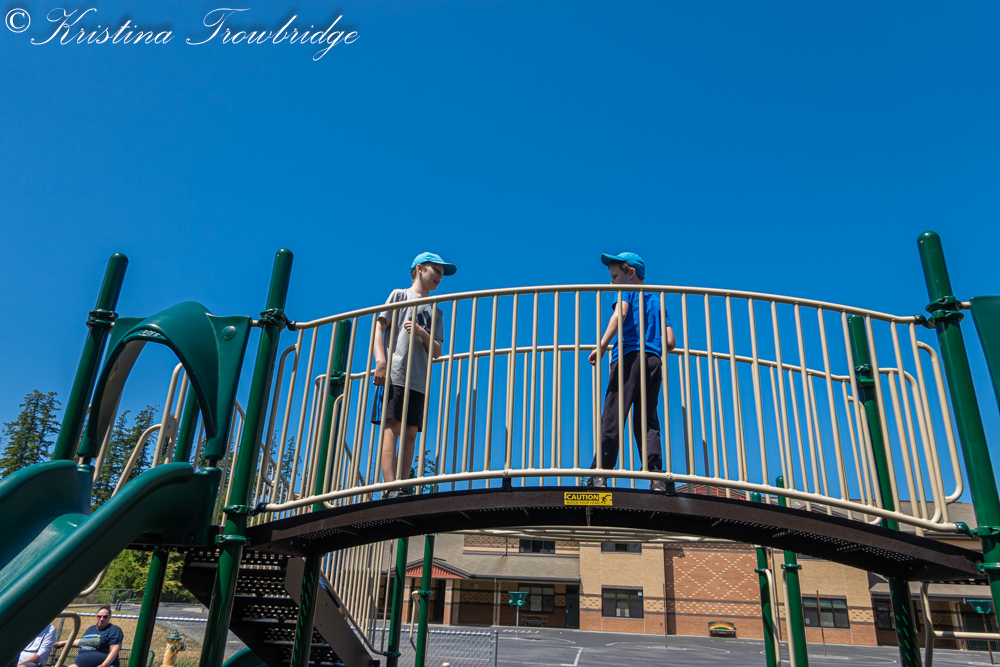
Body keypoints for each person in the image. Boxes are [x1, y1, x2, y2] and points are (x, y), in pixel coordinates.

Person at [587, 252, 676, 489]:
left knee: (613, 414)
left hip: (628, 357)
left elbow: (621, 314)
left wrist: (602, 345)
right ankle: (656, 477)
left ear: (631, 273)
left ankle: (600, 473)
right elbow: (670, 342)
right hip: (653, 361)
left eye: (615, 276)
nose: (611, 283)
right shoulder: (657, 300)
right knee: (647, 420)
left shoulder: (626, 289)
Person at [371, 252, 455, 499]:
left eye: (442, 274)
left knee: (410, 432)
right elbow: (379, 327)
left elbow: (437, 351)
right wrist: (381, 361)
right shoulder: (399, 295)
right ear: (419, 269)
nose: (439, 276)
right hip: (396, 372)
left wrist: (422, 333)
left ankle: (402, 486)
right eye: (436, 270)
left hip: (419, 378)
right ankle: (389, 487)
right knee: (393, 426)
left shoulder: (436, 310)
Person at [53, 606, 124, 667]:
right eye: (99, 616)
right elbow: (82, 641)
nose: (101, 619)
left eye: (105, 617)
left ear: (109, 617)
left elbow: (115, 649)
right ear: (96, 616)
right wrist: (63, 642)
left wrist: (104, 665)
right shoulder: (90, 629)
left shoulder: (113, 629)